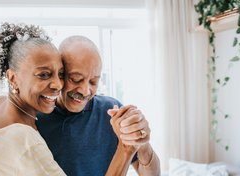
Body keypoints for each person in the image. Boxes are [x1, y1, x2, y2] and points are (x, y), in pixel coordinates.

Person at [0, 23, 138, 176]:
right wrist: (126, 149)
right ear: (12, 78)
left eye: (61, 74)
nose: (58, 85)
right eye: (44, 75)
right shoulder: (27, 142)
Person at [36, 36, 161, 176]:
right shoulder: (35, 119)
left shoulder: (111, 111)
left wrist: (142, 142)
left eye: (93, 82)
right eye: (76, 79)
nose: (85, 91)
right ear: (59, 74)